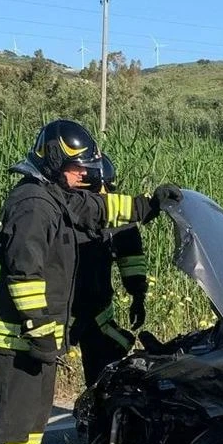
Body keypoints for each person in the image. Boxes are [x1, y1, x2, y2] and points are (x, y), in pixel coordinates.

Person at [0, 119, 181, 444]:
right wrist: (38, 332)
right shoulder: (34, 204)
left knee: (32, 422)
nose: (84, 178)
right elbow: (24, 273)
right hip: (17, 333)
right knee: (15, 421)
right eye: (78, 170)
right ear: (54, 161)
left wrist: (151, 205)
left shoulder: (60, 194)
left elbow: (107, 211)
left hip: (36, 334)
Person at [72, 154, 148, 386]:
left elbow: (131, 259)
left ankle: (100, 413)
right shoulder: (70, 210)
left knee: (100, 376)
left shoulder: (119, 215)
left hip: (95, 312)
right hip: (70, 311)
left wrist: (138, 296)